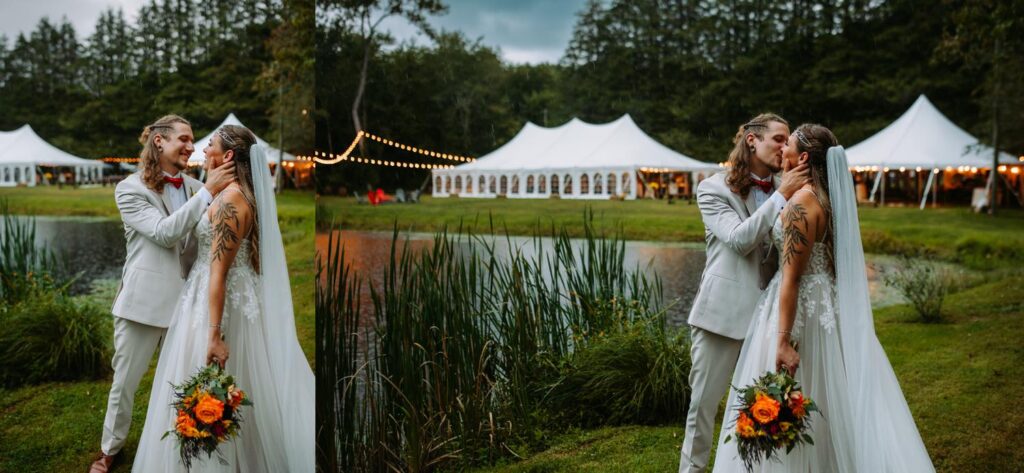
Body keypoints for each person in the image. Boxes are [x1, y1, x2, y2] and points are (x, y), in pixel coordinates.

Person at [710, 124, 934, 472]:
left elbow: (792, 279)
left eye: (789, 145)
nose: (782, 149)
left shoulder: (801, 204)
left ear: (802, 158)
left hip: (798, 310)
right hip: (826, 302)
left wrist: (783, 341)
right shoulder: (826, 199)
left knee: (799, 388)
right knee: (829, 393)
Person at [131, 125, 314, 472]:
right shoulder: (230, 192)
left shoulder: (231, 200)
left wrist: (214, 334)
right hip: (211, 297)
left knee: (216, 383)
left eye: (210, 145)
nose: (202, 150)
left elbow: (219, 273)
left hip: (216, 304)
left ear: (227, 156)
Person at [90, 115, 235, 473]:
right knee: (125, 383)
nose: (191, 146)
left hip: (189, 303)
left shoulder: (193, 184)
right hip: (143, 302)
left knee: (182, 378)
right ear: (159, 142)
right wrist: (207, 191)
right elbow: (162, 232)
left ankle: (181, 448)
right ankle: (111, 449)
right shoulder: (129, 188)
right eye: (183, 139)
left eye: (192, 140)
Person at [679, 113, 810, 473]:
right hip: (721, 315)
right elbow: (739, 240)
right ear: (752, 140)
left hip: (772, 319)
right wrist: (782, 194)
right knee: (702, 408)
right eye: (778, 139)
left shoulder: (793, 186)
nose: (785, 147)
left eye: (789, 141)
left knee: (766, 409)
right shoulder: (713, 188)